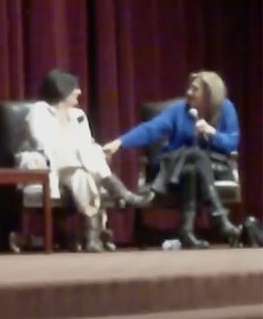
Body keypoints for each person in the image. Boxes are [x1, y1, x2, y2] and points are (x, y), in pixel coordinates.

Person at [103, 70, 241, 248]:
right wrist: (119, 142)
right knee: (193, 160)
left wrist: (211, 132)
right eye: (189, 87)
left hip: (213, 168)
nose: (188, 92)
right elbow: (150, 129)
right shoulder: (179, 111)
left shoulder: (226, 109)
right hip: (180, 168)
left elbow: (231, 143)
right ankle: (214, 219)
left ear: (209, 94)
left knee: (195, 159)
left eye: (195, 89)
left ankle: (187, 227)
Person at [25, 69, 153, 252]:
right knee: (89, 152)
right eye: (74, 88)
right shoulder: (39, 110)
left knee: (83, 177)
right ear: (62, 90)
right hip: (49, 166)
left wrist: (83, 150)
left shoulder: (78, 115)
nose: (79, 92)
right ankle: (123, 193)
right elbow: (40, 142)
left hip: (76, 168)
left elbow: (87, 141)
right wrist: (75, 148)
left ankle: (92, 237)